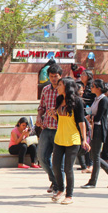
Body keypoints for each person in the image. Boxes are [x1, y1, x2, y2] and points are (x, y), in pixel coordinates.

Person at [49, 77, 90, 204]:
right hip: (59, 138)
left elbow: (81, 122)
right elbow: (61, 120)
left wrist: (84, 139)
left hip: (73, 139)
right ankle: (60, 189)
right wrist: (54, 115)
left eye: (60, 84)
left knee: (68, 168)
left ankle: (69, 195)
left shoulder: (77, 101)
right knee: (56, 166)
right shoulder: (59, 99)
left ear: (67, 87)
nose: (58, 86)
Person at [81, 79, 108, 189]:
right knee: (94, 155)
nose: (91, 88)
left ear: (99, 88)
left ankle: (93, 181)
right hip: (94, 128)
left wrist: (89, 117)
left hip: (99, 129)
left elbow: (99, 115)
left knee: (94, 156)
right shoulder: (96, 99)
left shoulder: (104, 100)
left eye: (93, 86)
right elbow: (91, 110)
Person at [36, 63, 62, 194]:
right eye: (51, 76)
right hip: (46, 128)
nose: (53, 79)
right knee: (41, 157)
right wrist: (39, 117)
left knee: (58, 162)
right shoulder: (45, 89)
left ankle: (59, 187)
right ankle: (55, 181)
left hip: (59, 129)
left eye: (55, 76)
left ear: (60, 76)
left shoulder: (64, 90)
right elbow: (41, 107)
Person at [75, 82, 92, 172]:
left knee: (85, 147)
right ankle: (84, 166)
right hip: (79, 127)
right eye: (81, 90)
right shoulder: (76, 101)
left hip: (84, 126)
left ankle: (90, 164)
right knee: (80, 149)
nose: (82, 91)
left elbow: (81, 120)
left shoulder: (80, 101)